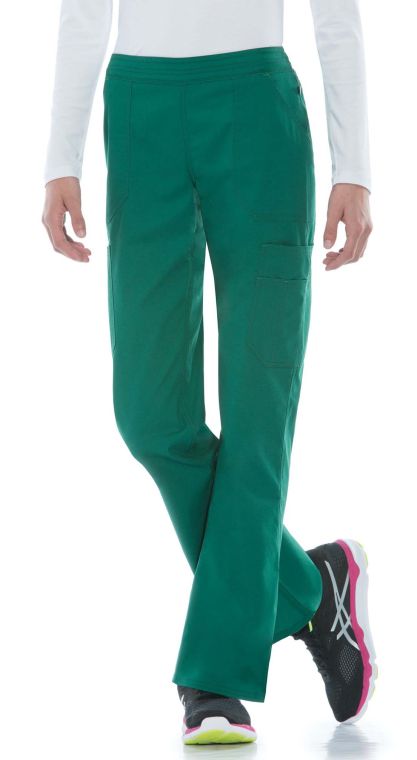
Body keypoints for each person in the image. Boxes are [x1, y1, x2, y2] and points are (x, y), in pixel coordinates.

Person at [41, 0, 376, 746]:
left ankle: (215, 681)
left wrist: (353, 168)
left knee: (259, 406)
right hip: (141, 113)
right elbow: (84, 10)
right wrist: (61, 156)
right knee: (149, 414)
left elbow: (337, 14)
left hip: (258, 111)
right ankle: (312, 589)